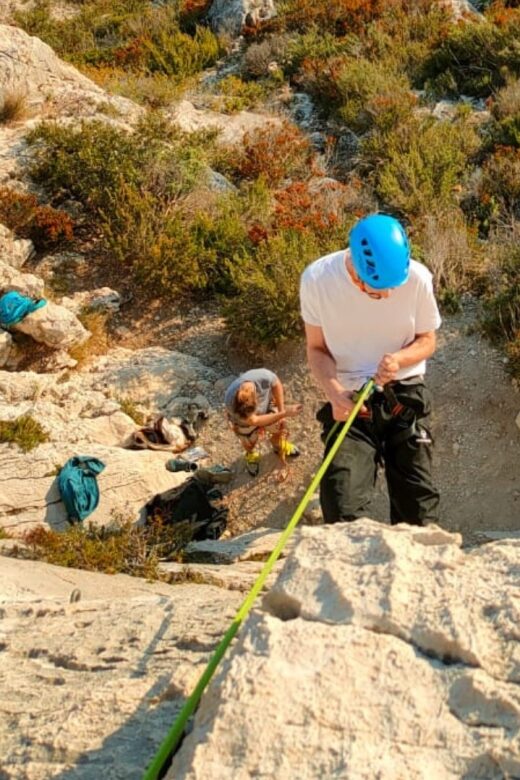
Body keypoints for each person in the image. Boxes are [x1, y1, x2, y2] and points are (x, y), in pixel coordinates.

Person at [300, 213, 441, 526]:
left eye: (394, 286)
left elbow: (428, 340)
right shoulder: (317, 281)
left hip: (403, 393)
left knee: (419, 512)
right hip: (350, 400)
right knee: (341, 507)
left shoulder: (417, 278)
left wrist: (400, 359)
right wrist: (334, 392)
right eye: (379, 290)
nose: (389, 295)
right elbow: (316, 349)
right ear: (355, 274)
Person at [225, 369, 302, 476]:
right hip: (243, 422)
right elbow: (254, 421)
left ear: (257, 398)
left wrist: (280, 410)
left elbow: (276, 384)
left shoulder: (263, 376)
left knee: (278, 428)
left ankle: (278, 445)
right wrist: (284, 413)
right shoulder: (230, 400)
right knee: (248, 440)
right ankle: (251, 454)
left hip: (266, 408)